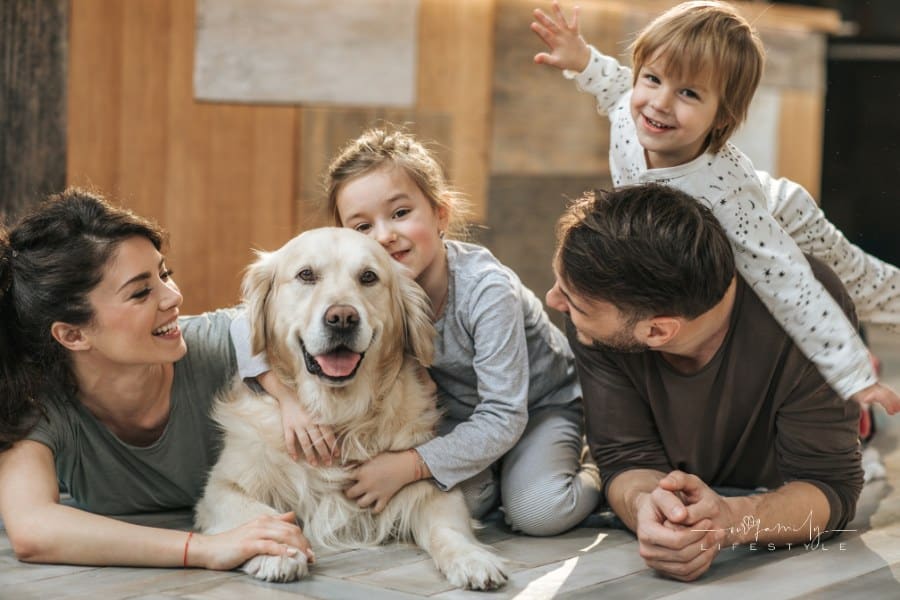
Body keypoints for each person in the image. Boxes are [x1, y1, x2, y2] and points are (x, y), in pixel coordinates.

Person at [531, 0, 900, 413]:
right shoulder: (632, 116)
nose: (659, 103)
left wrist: (854, 377)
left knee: (867, 288)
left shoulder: (723, 195)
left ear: (722, 117)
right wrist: (581, 59)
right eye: (652, 78)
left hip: (784, 220)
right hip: (726, 228)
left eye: (688, 93)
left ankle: (868, 344)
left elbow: (793, 287)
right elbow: (617, 87)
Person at [233, 128, 601, 536]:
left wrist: (409, 465)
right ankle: (500, 471)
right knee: (468, 501)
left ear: (441, 213)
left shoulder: (487, 291)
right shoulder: (366, 291)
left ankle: (596, 471)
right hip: (455, 418)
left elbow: (503, 415)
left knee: (537, 511)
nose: (385, 236)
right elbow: (241, 319)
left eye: (400, 213)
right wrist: (288, 401)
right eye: (362, 227)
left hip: (533, 410)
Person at [546, 183, 864, 582]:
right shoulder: (595, 313)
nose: (552, 299)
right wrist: (648, 506)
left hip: (781, 464)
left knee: (855, 429)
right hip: (689, 459)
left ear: (658, 332)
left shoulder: (810, 304)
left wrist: (731, 520)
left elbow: (831, 490)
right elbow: (627, 460)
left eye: (572, 303)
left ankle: (858, 412)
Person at [0, 189, 312, 569]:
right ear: (73, 335)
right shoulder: (39, 404)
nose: (173, 298)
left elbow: (274, 321)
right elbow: (33, 529)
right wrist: (204, 549)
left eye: (165, 274)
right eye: (141, 292)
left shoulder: (227, 350)